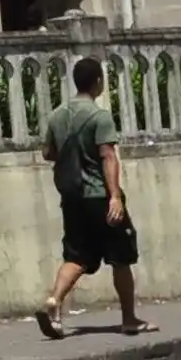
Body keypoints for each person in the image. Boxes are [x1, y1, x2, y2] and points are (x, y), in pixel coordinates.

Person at [35, 55, 151, 337]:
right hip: (99, 196)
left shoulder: (57, 115)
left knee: (76, 255)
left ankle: (55, 300)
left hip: (73, 198)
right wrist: (115, 197)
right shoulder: (100, 117)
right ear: (98, 82)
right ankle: (129, 319)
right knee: (120, 257)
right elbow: (108, 156)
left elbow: (48, 153)